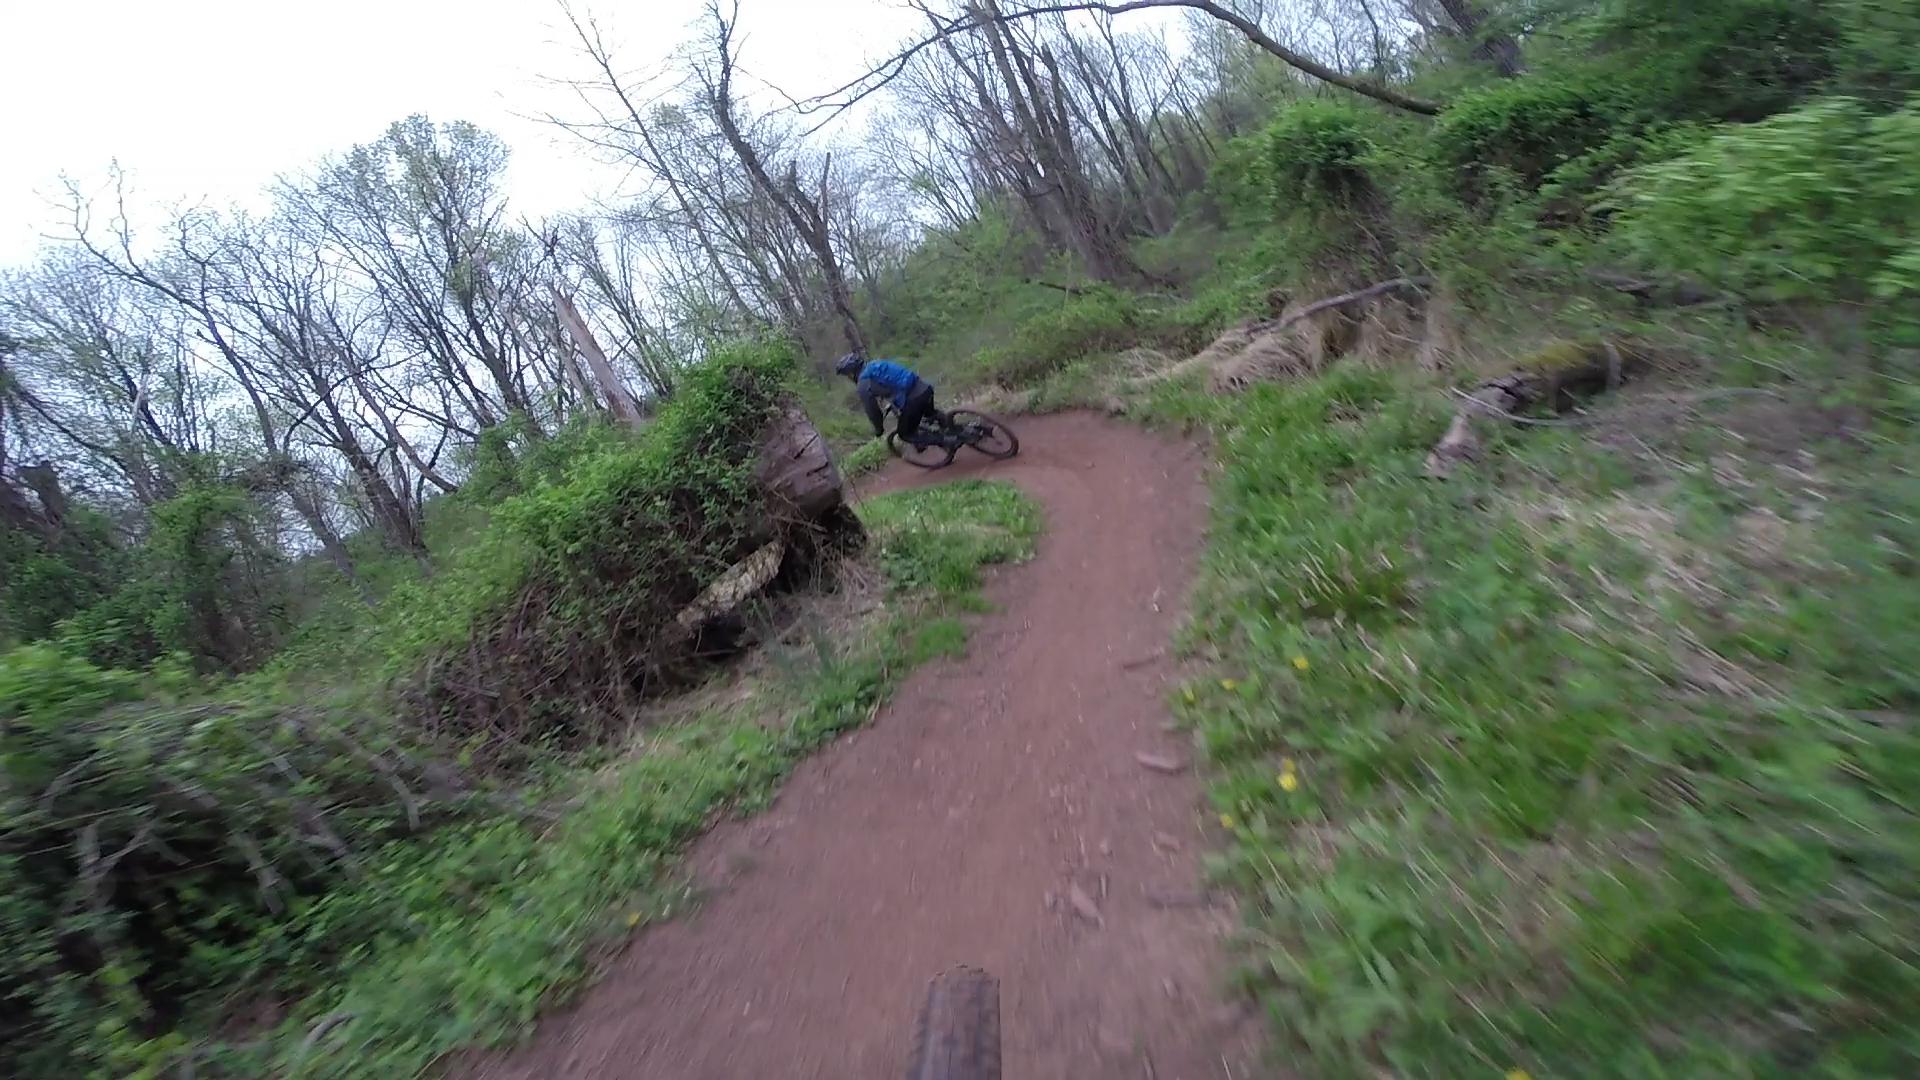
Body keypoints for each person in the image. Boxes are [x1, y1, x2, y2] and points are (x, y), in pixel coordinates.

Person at [835, 352, 942, 448]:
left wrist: (879, 430)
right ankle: (952, 427)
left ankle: (945, 441)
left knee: (905, 434)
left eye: (847, 375)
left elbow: (873, 411)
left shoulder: (863, 384)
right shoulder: (876, 364)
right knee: (930, 414)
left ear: (851, 373)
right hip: (924, 387)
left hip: (913, 400)